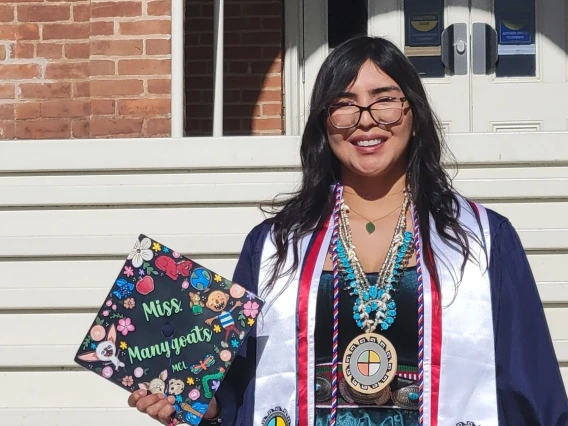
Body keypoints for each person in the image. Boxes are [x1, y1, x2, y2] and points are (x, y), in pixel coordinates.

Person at [127, 36, 568, 425]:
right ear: (325, 123)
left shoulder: (482, 240)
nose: (366, 119)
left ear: (413, 112)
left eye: (384, 99)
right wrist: (204, 406)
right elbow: (240, 384)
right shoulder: (273, 246)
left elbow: (530, 380)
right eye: (344, 104)